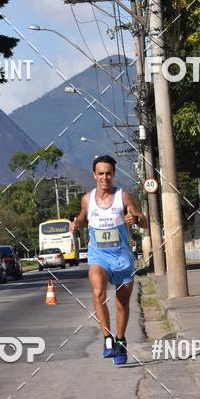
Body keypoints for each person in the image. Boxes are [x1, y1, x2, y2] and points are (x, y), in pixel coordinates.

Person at [70, 155, 148, 365]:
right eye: (101, 173)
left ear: (113, 174)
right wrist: (76, 223)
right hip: (99, 256)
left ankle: (120, 341)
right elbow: (83, 218)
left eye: (108, 173)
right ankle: (107, 338)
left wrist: (136, 218)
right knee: (98, 292)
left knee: (122, 304)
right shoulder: (87, 199)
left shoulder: (123, 196)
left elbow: (143, 221)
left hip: (122, 258)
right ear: (94, 175)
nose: (105, 177)